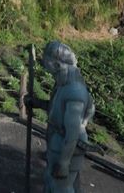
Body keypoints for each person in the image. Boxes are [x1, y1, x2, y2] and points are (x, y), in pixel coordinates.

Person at [29, 41, 95, 193]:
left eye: (47, 61)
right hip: (58, 141)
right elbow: (57, 109)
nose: (45, 65)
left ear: (57, 65)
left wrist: (64, 162)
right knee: (52, 181)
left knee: (60, 187)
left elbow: (73, 131)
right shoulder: (62, 85)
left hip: (68, 146)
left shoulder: (75, 92)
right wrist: (37, 103)